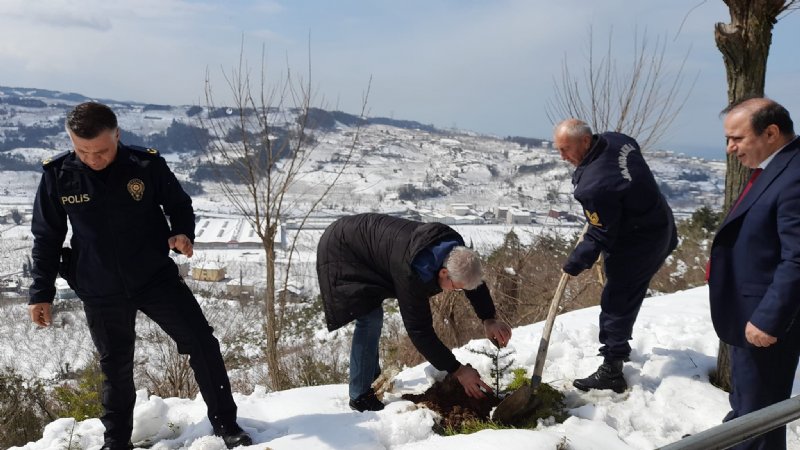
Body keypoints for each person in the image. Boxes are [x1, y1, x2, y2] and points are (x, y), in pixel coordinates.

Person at [27, 102, 252, 449]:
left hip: (154, 279)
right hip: (98, 287)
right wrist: (41, 292)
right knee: (115, 366)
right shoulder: (58, 175)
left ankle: (226, 424)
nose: (92, 159)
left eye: (101, 150)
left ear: (117, 134)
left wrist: (182, 232)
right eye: (82, 150)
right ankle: (116, 442)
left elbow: (179, 205)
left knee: (202, 344)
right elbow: (48, 237)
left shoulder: (145, 165)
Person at [316, 213, 513, 412]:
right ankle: (359, 396)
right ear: (444, 273)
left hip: (369, 245)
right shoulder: (412, 272)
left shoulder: (457, 252)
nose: (456, 291)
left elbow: (471, 281)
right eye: (456, 287)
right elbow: (420, 331)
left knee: (372, 315)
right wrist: (458, 370)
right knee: (370, 317)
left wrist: (489, 318)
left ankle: (371, 378)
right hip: (342, 249)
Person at [553, 119, 677, 393]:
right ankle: (619, 347)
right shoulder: (619, 139)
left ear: (586, 142)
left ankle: (612, 369)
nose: (562, 157)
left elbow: (600, 233)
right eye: (559, 150)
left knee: (616, 301)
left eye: (566, 149)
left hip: (639, 242)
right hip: (662, 224)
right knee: (626, 295)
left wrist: (575, 262)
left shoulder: (594, 186)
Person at [707, 97, 800, 450]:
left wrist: (768, 318)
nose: (731, 149)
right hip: (749, 312)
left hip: (767, 321)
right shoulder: (777, 167)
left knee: (759, 417)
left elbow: (797, 258)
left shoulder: (794, 176)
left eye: (737, 139)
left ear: (772, 132)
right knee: (748, 406)